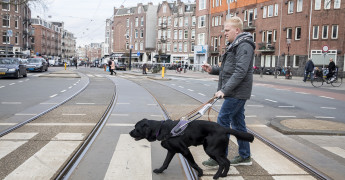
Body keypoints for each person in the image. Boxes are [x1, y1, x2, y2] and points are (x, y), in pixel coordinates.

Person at [201, 16, 255, 167]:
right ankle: (245, 157)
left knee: (222, 122)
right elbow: (228, 70)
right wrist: (212, 69)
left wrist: (223, 90)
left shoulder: (244, 45)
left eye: (227, 30)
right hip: (235, 92)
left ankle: (219, 157)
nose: (224, 33)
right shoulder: (235, 44)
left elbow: (240, 72)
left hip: (237, 93)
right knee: (239, 125)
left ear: (237, 30)